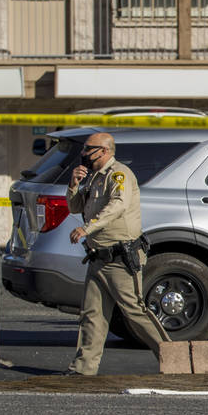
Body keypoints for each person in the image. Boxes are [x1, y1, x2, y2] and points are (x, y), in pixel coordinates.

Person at [64, 132, 169, 375]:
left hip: (121, 257)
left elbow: (117, 206)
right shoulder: (93, 178)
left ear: (105, 151)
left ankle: (174, 359)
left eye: (89, 148)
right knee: (92, 314)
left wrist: (86, 228)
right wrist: (73, 185)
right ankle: (83, 368)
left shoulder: (119, 175)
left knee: (135, 311)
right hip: (98, 256)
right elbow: (75, 206)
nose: (83, 153)